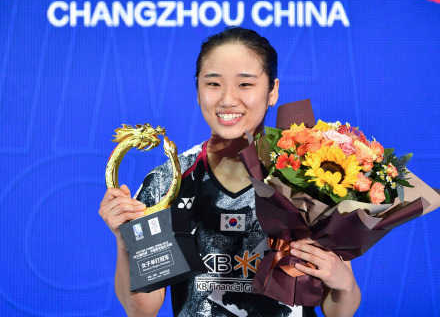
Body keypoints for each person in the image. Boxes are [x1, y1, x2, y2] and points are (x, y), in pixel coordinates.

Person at [99, 27, 361, 317]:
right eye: (213, 84)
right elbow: (143, 310)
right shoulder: (167, 183)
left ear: (273, 91)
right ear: (197, 90)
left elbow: (339, 310)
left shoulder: (311, 177)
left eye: (245, 85)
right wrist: (125, 239)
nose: (227, 99)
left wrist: (344, 285)